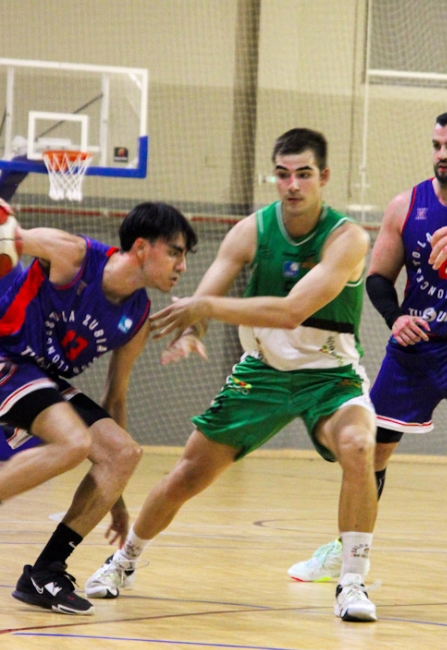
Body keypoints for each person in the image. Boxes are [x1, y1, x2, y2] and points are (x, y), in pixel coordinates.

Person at [85, 128, 380, 622]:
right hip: (261, 372)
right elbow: (205, 297)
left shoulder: (347, 238)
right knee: (186, 476)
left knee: (358, 446)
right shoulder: (251, 231)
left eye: (304, 174)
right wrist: (192, 330)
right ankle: (124, 560)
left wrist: (204, 308)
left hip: (330, 375)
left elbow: (290, 311)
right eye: (283, 174)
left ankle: (352, 582)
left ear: (323, 177)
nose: (292, 185)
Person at [0, 185, 197, 616]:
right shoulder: (72, 255)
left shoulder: (138, 317)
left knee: (124, 452)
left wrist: (115, 492)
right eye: (176, 252)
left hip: (38, 375)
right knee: (73, 442)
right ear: (142, 247)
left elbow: (115, 398)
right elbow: (0, 231)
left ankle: (45, 573)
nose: (182, 266)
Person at [288, 110, 447, 583]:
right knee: (368, 457)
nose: (442, 154)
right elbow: (377, 278)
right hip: (415, 350)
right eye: (436, 145)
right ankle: (344, 551)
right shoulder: (405, 206)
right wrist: (396, 320)